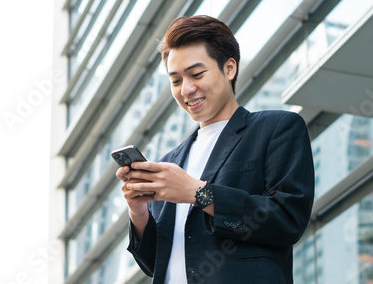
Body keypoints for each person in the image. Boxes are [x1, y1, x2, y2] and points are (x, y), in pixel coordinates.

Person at [116, 15, 314, 284]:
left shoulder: (276, 128)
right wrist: (138, 212)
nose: (187, 89)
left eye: (196, 74)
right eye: (175, 81)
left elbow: (287, 219)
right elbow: (155, 263)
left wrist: (197, 193)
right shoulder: (170, 163)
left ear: (229, 68)